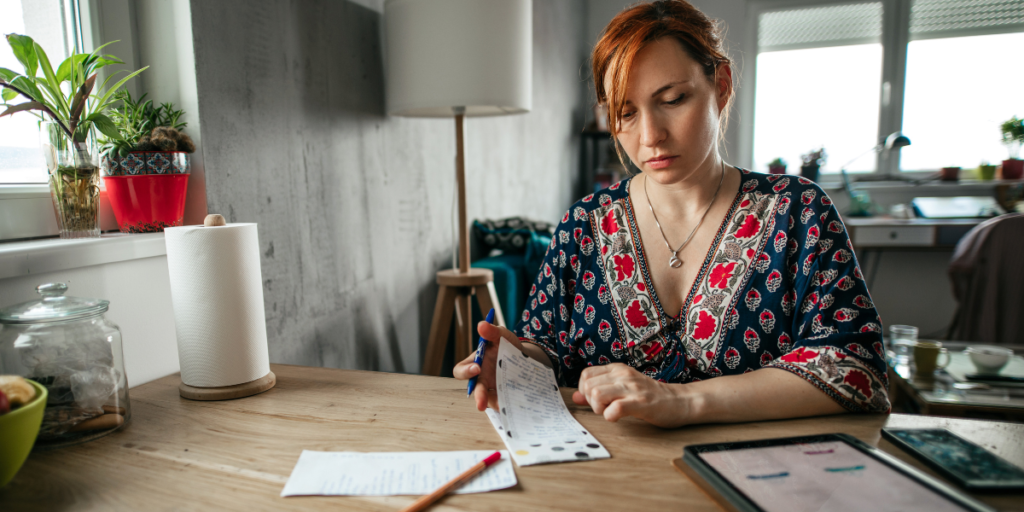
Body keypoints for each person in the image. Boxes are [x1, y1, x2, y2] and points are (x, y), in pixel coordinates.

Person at [454, 0, 889, 428]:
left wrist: (681, 401)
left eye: (674, 99)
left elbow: (854, 369)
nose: (650, 136)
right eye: (625, 112)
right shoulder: (584, 224)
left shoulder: (797, 212)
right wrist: (511, 362)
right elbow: (549, 350)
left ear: (721, 84)